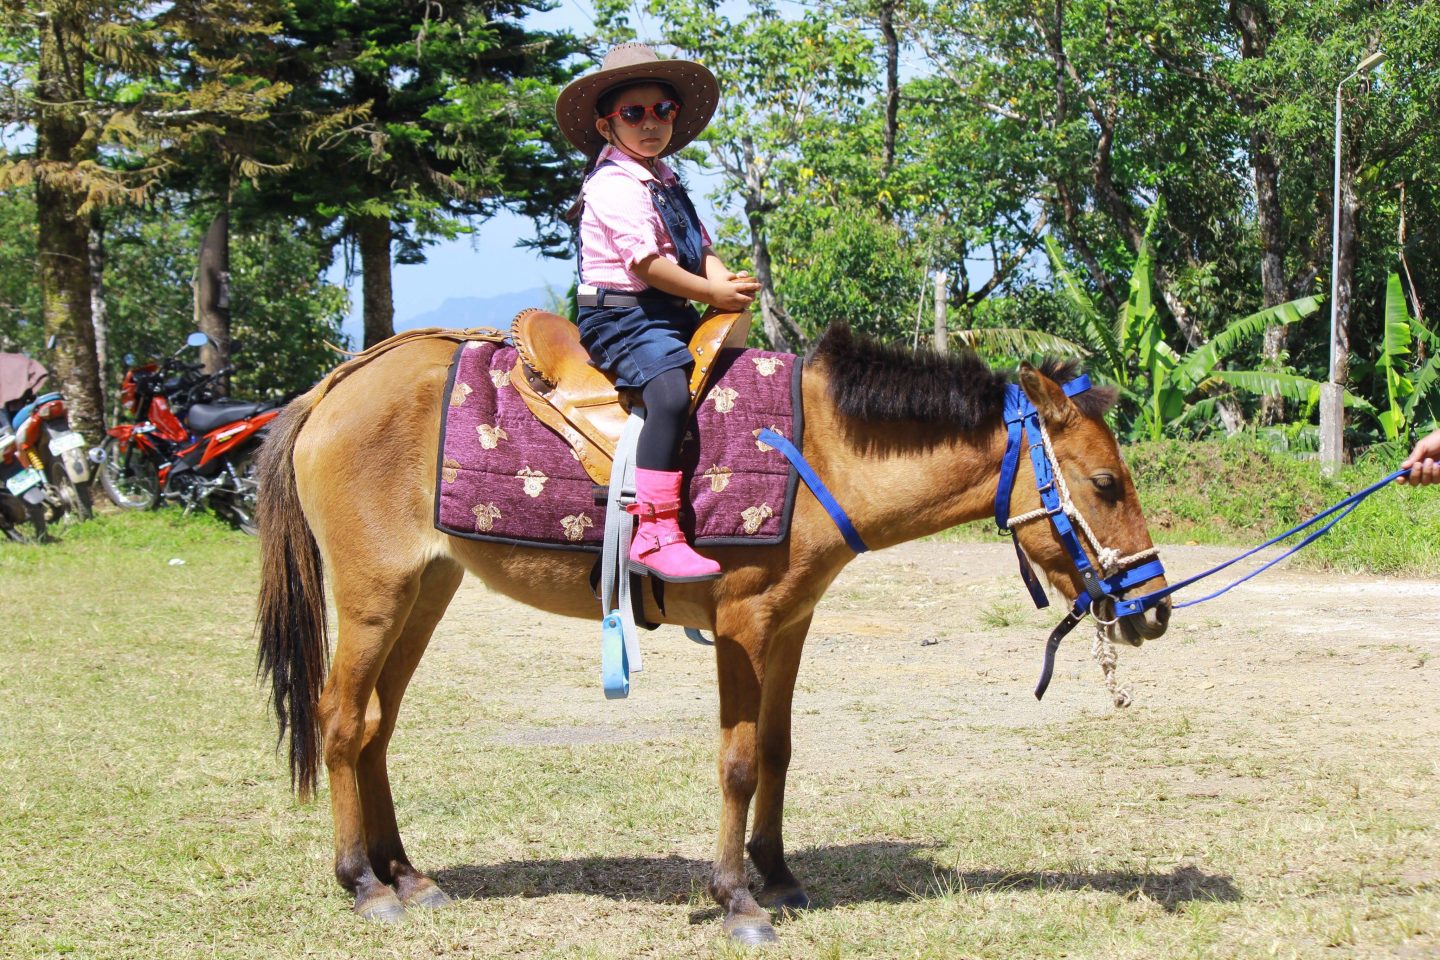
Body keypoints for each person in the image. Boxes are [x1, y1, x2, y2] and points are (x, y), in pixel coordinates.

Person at [555, 43, 760, 582]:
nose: (651, 123)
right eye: (633, 113)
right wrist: (711, 296)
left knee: (737, 381)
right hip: (622, 315)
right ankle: (653, 532)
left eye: (662, 111)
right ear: (606, 126)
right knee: (669, 390)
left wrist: (725, 282)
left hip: (667, 309)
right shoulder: (612, 184)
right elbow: (645, 263)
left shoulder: (664, 179)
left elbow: (702, 250)